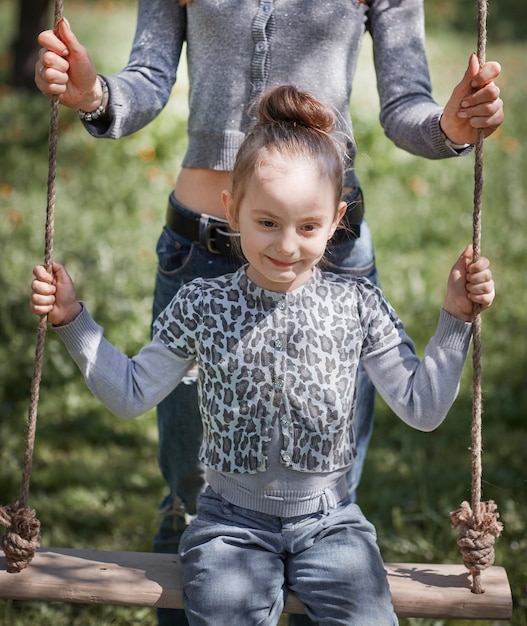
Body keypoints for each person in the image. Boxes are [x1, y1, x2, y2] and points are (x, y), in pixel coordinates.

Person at [34, 4, 503, 625]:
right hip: (197, 255)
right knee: (187, 498)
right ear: (237, 209)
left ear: (330, 222)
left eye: (306, 227)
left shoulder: (351, 304)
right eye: (269, 226)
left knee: (328, 486)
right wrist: (93, 92)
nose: (285, 245)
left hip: (335, 277)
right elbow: (145, 80)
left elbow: (406, 104)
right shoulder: (205, 307)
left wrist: (451, 124)